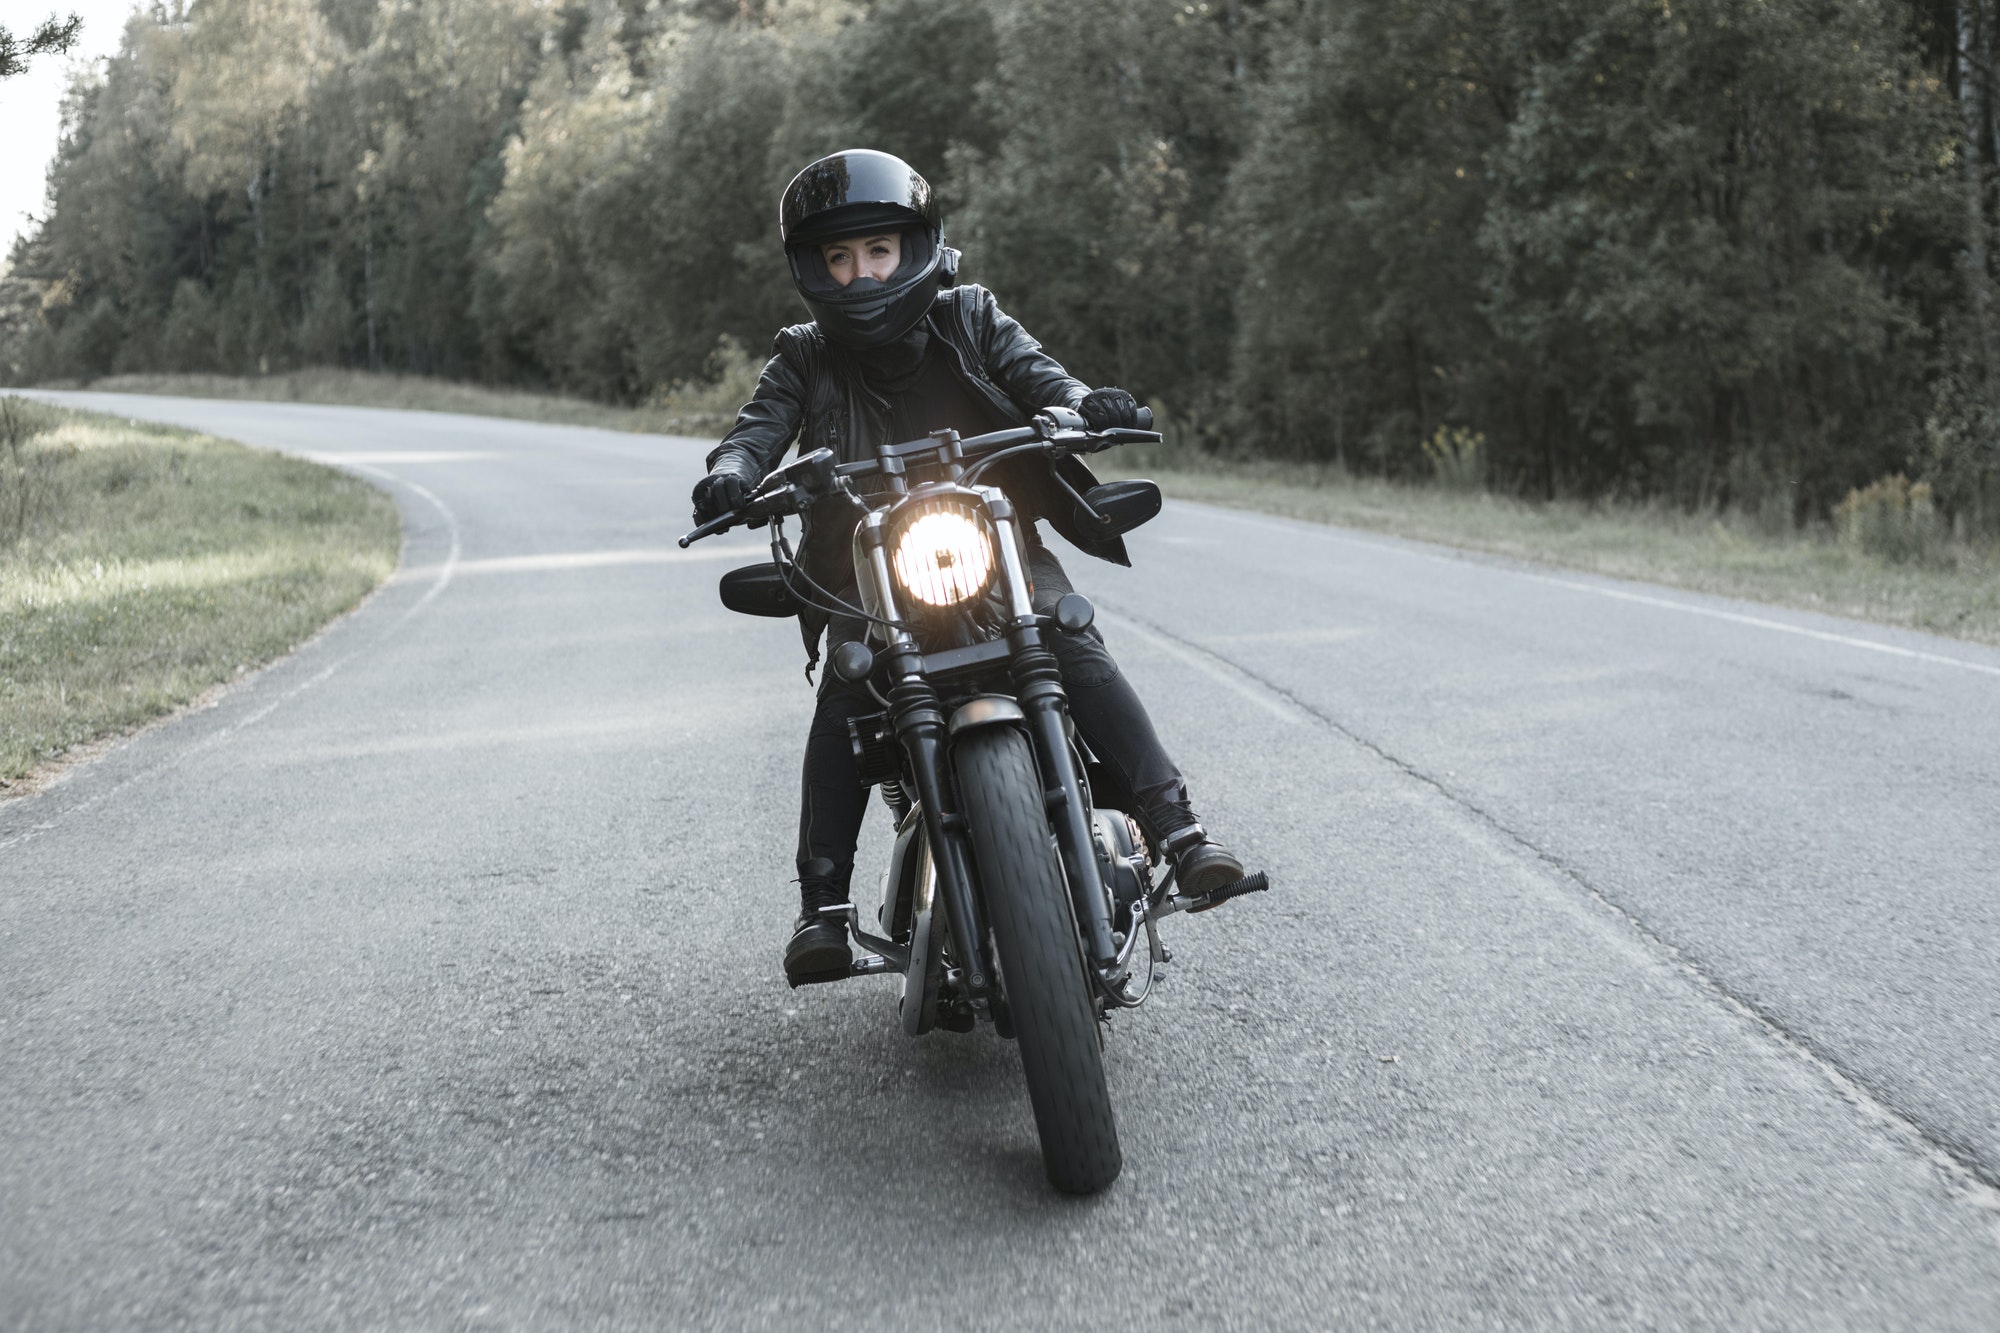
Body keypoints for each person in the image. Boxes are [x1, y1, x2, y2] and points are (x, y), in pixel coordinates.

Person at [691, 148, 1245, 986]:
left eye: (877, 251)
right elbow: (758, 424)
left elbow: (1039, 377)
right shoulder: (804, 354)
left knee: (1072, 637)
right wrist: (733, 471)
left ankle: (1179, 828)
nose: (860, 275)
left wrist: (1080, 406)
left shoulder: (971, 314)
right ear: (813, 269)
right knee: (845, 689)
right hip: (866, 570)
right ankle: (823, 908)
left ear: (916, 248)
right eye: (838, 259)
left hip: (995, 548)